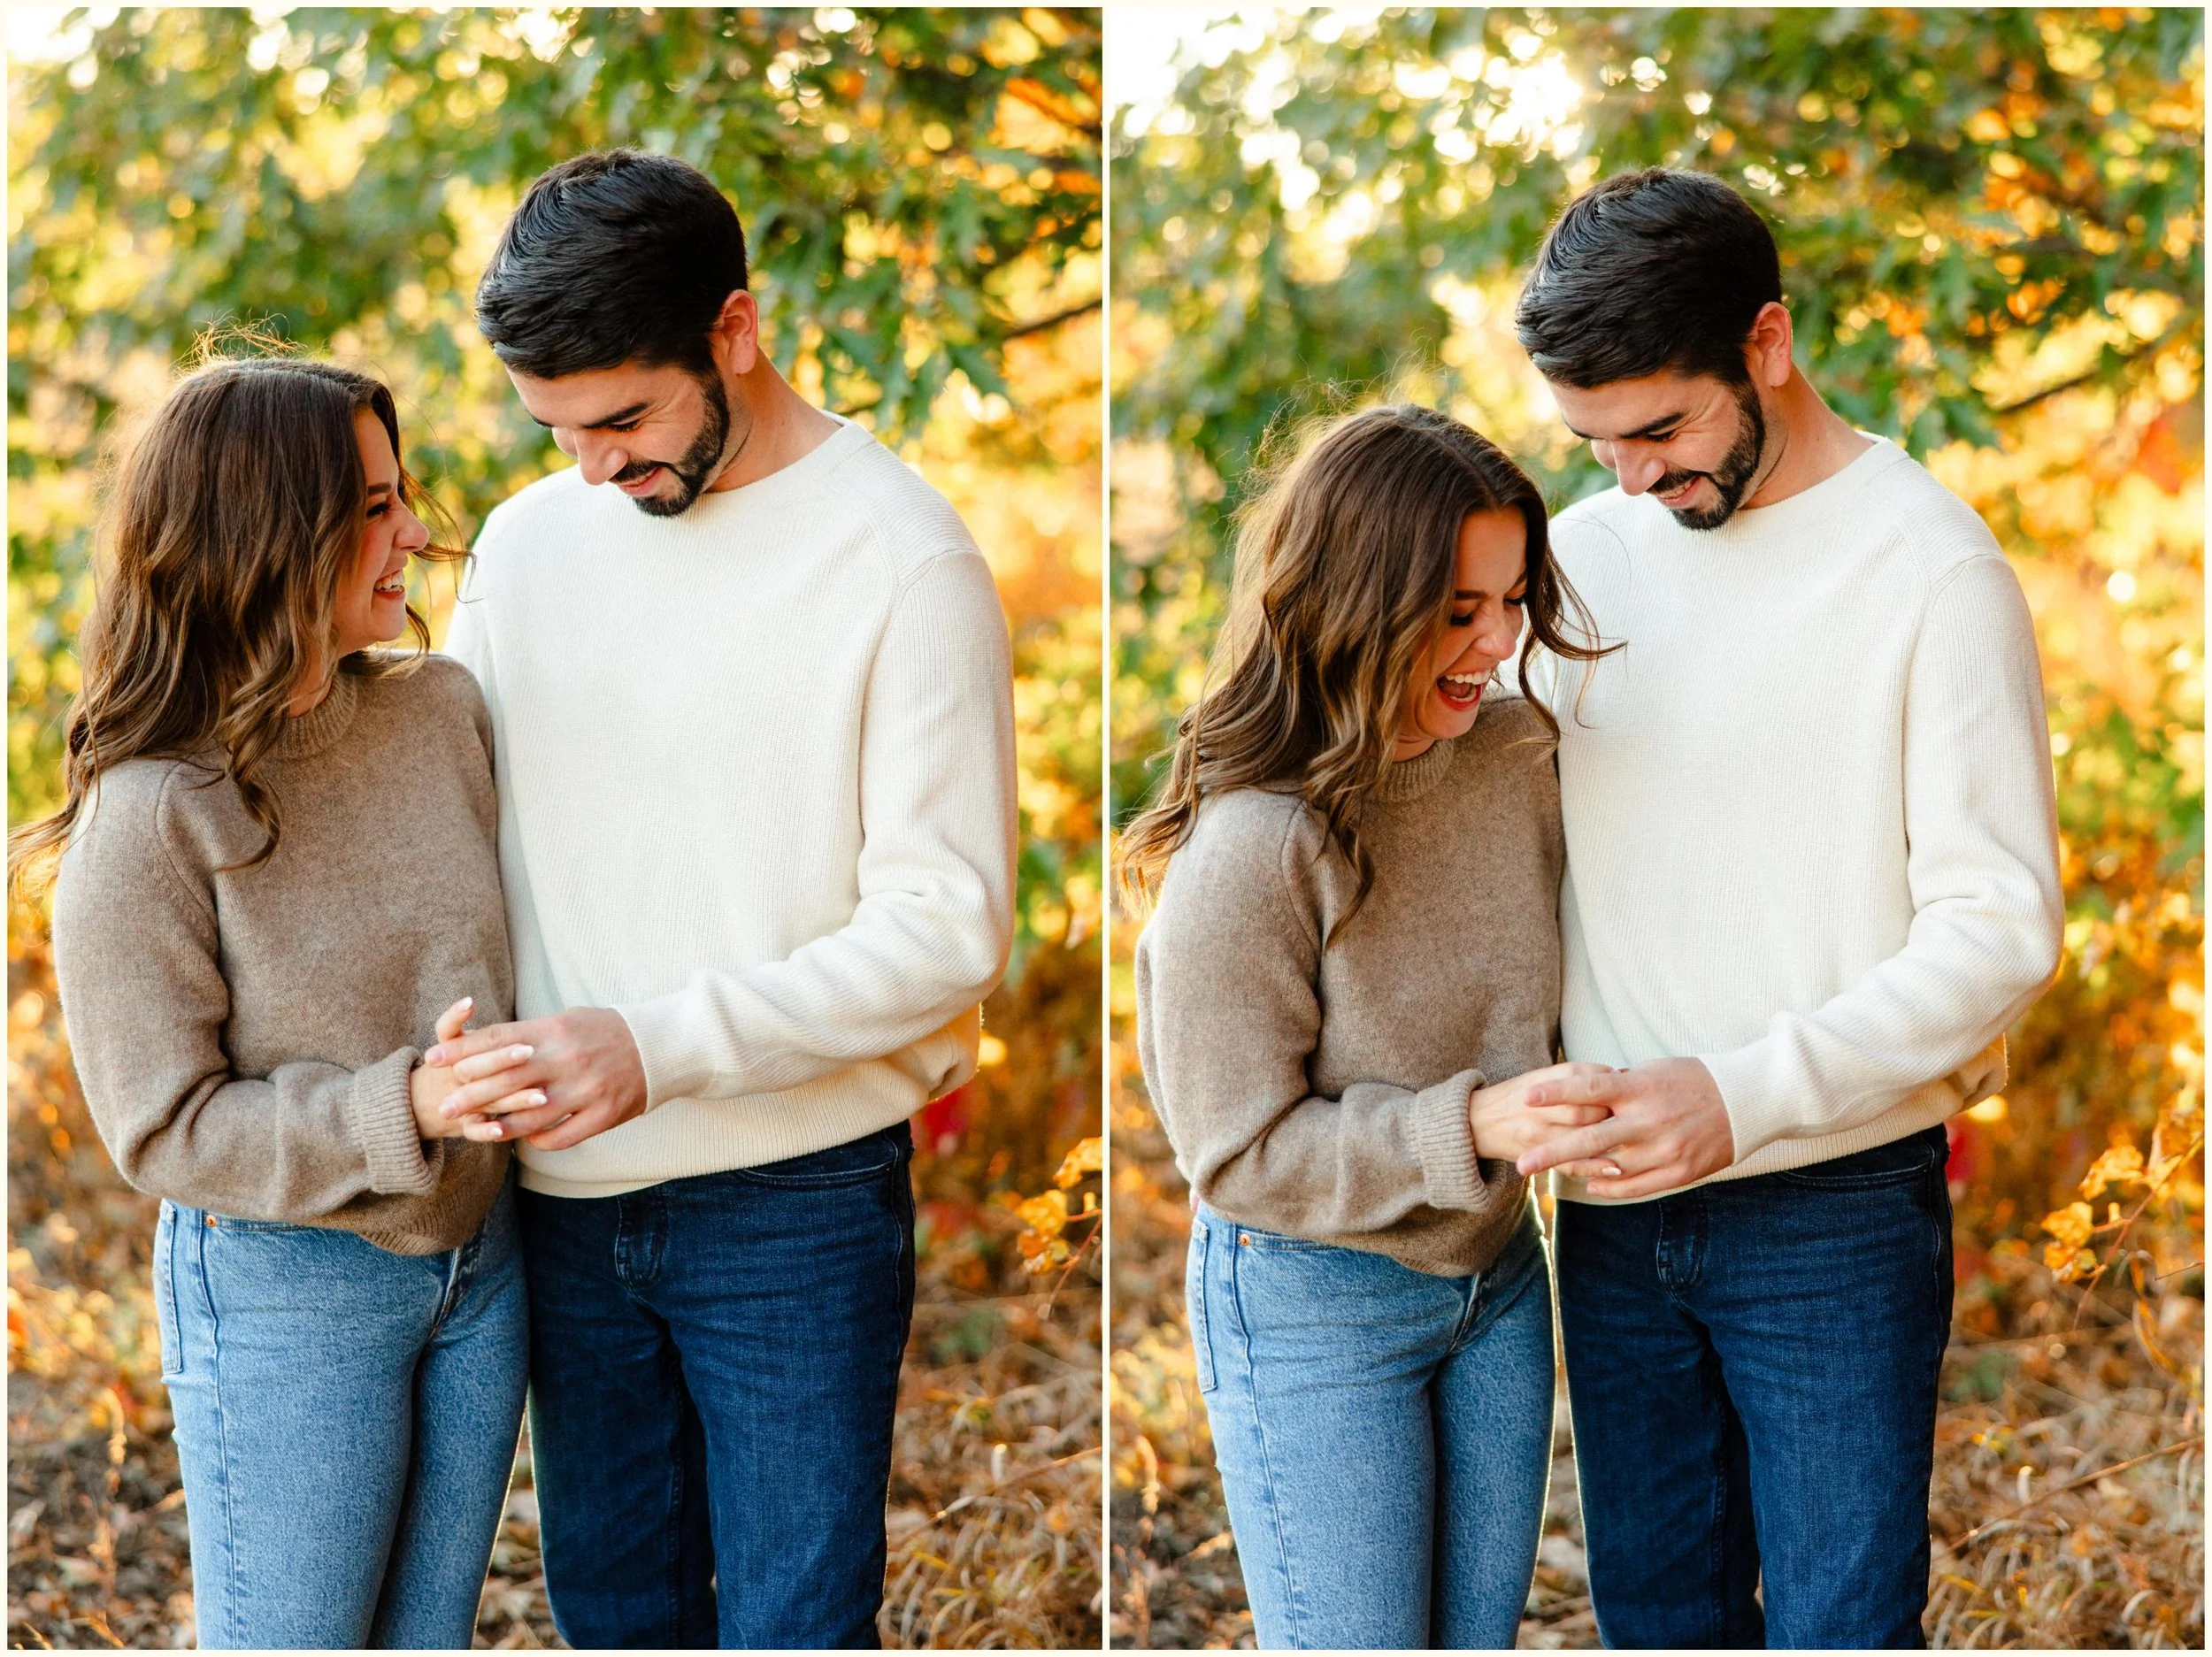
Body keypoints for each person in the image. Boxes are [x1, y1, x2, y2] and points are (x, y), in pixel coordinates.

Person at [425, 150, 1018, 1649]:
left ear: (736, 331)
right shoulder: (528, 542)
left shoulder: (906, 558)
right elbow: (454, 827)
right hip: (558, 1199)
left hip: (796, 1204)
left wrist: (653, 1048)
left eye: (624, 419)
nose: (594, 472)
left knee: (792, 1627)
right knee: (615, 1619)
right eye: (555, 429)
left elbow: (948, 928)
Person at [1508, 168, 2065, 1648]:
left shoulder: (1931, 570)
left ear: (1767, 343)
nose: (1629, 477)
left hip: (1835, 1213)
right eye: (1593, 443)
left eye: (1660, 430)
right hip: (1616, 1217)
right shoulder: (1579, 561)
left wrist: (1742, 1097)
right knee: (1659, 1621)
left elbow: (1998, 928)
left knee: (1840, 1629)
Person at [19, 346, 541, 1649]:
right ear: (268, 534)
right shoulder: (150, 814)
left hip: (480, 1264)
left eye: (401, 495)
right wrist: (400, 1104)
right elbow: (163, 1130)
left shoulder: (441, 714)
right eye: (373, 510)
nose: (416, 534)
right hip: (284, 1287)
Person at [1122, 403, 1619, 1650]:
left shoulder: (1516, 755)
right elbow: (1234, 1155)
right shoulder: (1257, 843)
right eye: (1460, 610)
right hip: (1310, 1298)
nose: (1499, 642)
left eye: (1512, 600)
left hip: (1494, 1280)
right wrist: (1476, 1123)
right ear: (1359, 602)